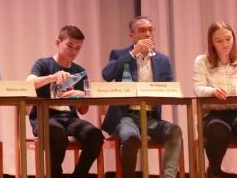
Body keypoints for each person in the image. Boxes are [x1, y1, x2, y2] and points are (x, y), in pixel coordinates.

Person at [101, 15, 183, 178]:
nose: (147, 34)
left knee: (175, 131)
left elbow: (170, 87)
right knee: (131, 138)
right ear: (132, 35)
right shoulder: (120, 54)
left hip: (151, 117)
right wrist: (133, 53)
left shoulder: (162, 59)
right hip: (125, 116)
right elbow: (107, 75)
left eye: (150, 30)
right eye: (142, 30)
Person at [26, 25, 104, 178]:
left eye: (78, 48)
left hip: (70, 119)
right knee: (58, 135)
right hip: (45, 118)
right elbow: (28, 83)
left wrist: (81, 95)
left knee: (95, 135)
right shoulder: (43, 63)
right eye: (69, 46)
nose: (73, 51)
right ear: (58, 42)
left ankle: (79, 175)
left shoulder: (79, 70)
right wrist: (52, 77)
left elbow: (83, 110)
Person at [192, 22, 237, 178]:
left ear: (233, 39)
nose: (225, 44)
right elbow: (198, 88)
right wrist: (212, 91)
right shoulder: (202, 61)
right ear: (211, 42)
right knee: (219, 130)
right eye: (219, 41)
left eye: (228, 39)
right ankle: (214, 172)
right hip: (212, 113)